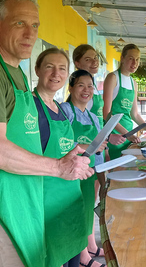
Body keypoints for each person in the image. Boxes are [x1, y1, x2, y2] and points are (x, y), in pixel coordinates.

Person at [0, 0, 93, 267]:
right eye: (20, 23)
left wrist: (64, 156)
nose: (30, 33)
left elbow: (24, 139)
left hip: (22, 198)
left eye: (35, 25)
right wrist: (58, 168)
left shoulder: (16, 72)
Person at [33, 48, 88, 267]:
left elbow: (67, 148)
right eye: (49, 66)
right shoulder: (30, 107)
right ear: (37, 69)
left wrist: (81, 161)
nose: (56, 73)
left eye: (62, 68)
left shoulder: (61, 109)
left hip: (71, 199)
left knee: (73, 256)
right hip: (47, 201)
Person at [61, 70, 122, 267]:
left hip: (89, 174)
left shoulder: (93, 117)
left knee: (87, 212)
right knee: (75, 215)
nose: (86, 90)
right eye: (80, 85)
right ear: (70, 87)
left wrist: (104, 180)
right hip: (71, 173)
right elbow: (59, 143)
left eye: (90, 86)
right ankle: (82, 258)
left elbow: (99, 153)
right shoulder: (65, 111)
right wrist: (87, 147)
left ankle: (86, 252)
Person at [103, 43, 146, 159]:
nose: (135, 63)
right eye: (131, 59)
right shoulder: (113, 78)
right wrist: (127, 134)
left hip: (129, 134)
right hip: (115, 135)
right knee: (117, 171)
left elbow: (135, 114)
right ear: (122, 58)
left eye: (137, 59)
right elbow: (106, 114)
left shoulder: (133, 83)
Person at [73, 44, 104, 126]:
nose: (94, 62)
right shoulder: (80, 88)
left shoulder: (94, 85)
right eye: (87, 60)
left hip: (99, 135)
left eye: (95, 57)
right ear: (78, 64)